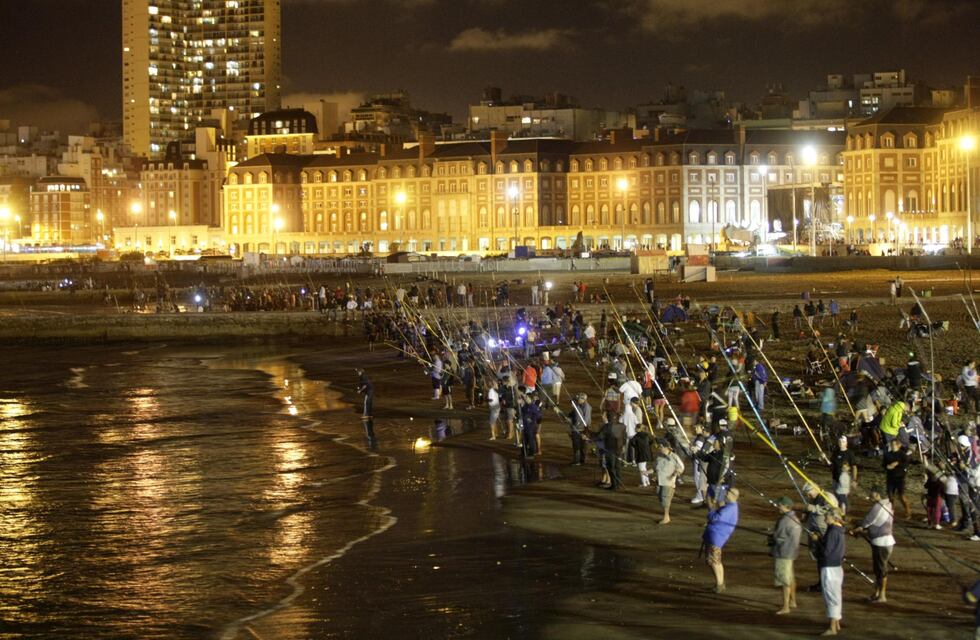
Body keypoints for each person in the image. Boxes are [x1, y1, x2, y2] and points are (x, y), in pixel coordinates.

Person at [851, 485, 895, 604]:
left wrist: (856, 528)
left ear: (877, 495)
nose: (870, 496)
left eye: (872, 494)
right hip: (884, 541)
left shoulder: (878, 507)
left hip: (882, 542)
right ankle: (877, 593)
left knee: (881, 570)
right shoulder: (888, 504)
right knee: (878, 569)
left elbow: (867, 522)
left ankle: (882, 595)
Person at [812, 509, 846, 636]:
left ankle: (832, 628)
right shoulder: (840, 530)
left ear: (834, 518)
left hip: (830, 567)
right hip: (837, 566)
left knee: (831, 596)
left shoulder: (832, 531)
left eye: (827, 517)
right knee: (836, 595)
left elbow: (826, 552)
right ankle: (836, 623)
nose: (825, 519)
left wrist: (817, 541)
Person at [703, 487, 740, 593]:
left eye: (728, 492)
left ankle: (719, 583)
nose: (726, 494)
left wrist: (710, 508)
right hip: (716, 535)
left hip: (716, 536)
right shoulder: (730, 507)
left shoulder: (729, 509)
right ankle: (720, 583)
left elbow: (716, 518)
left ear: (733, 495)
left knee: (714, 561)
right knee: (715, 561)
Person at [770, 496, 802, 615]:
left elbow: (778, 537)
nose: (778, 507)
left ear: (785, 506)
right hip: (792, 552)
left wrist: (772, 538)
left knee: (784, 580)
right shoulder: (795, 519)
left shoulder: (784, 521)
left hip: (783, 553)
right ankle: (792, 601)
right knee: (791, 578)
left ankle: (786, 606)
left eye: (780, 505)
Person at [654, 439, 684, 523]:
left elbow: (681, 467)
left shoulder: (674, 457)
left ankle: (666, 517)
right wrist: (646, 472)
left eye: (660, 446)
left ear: (666, 447)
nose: (659, 448)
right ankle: (666, 516)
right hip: (660, 481)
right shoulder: (659, 456)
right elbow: (655, 468)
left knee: (665, 500)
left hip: (668, 482)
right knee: (661, 499)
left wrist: (675, 473)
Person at [883, 438, 912, 519]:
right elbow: (884, 465)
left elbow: (906, 464)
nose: (892, 446)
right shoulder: (887, 454)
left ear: (898, 445)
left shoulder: (902, 454)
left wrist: (897, 464)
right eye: (891, 445)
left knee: (901, 496)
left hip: (900, 478)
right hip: (890, 477)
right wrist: (887, 467)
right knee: (890, 496)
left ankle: (908, 511)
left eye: (894, 445)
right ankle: (891, 511)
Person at [568, 392, 592, 465]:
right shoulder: (578, 406)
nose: (577, 400)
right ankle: (581, 459)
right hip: (578, 428)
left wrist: (583, 430)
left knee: (579, 445)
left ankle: (578, 461)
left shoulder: (587, 407)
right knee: (580, 445)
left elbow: (586, 420)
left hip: (582, 429)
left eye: (578, 399)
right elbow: (570, 415)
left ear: (583, 399)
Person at [630, 423, 655, 488]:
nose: (635, 429)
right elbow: (652, 441)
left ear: (638, 429)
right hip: (647, 454)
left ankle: (644, 483)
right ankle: (647, 482)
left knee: (641, 469)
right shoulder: (647, 435)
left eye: (636, 428)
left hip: (640, 454)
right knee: (644, 468)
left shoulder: (636, 436)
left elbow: (632, 444)